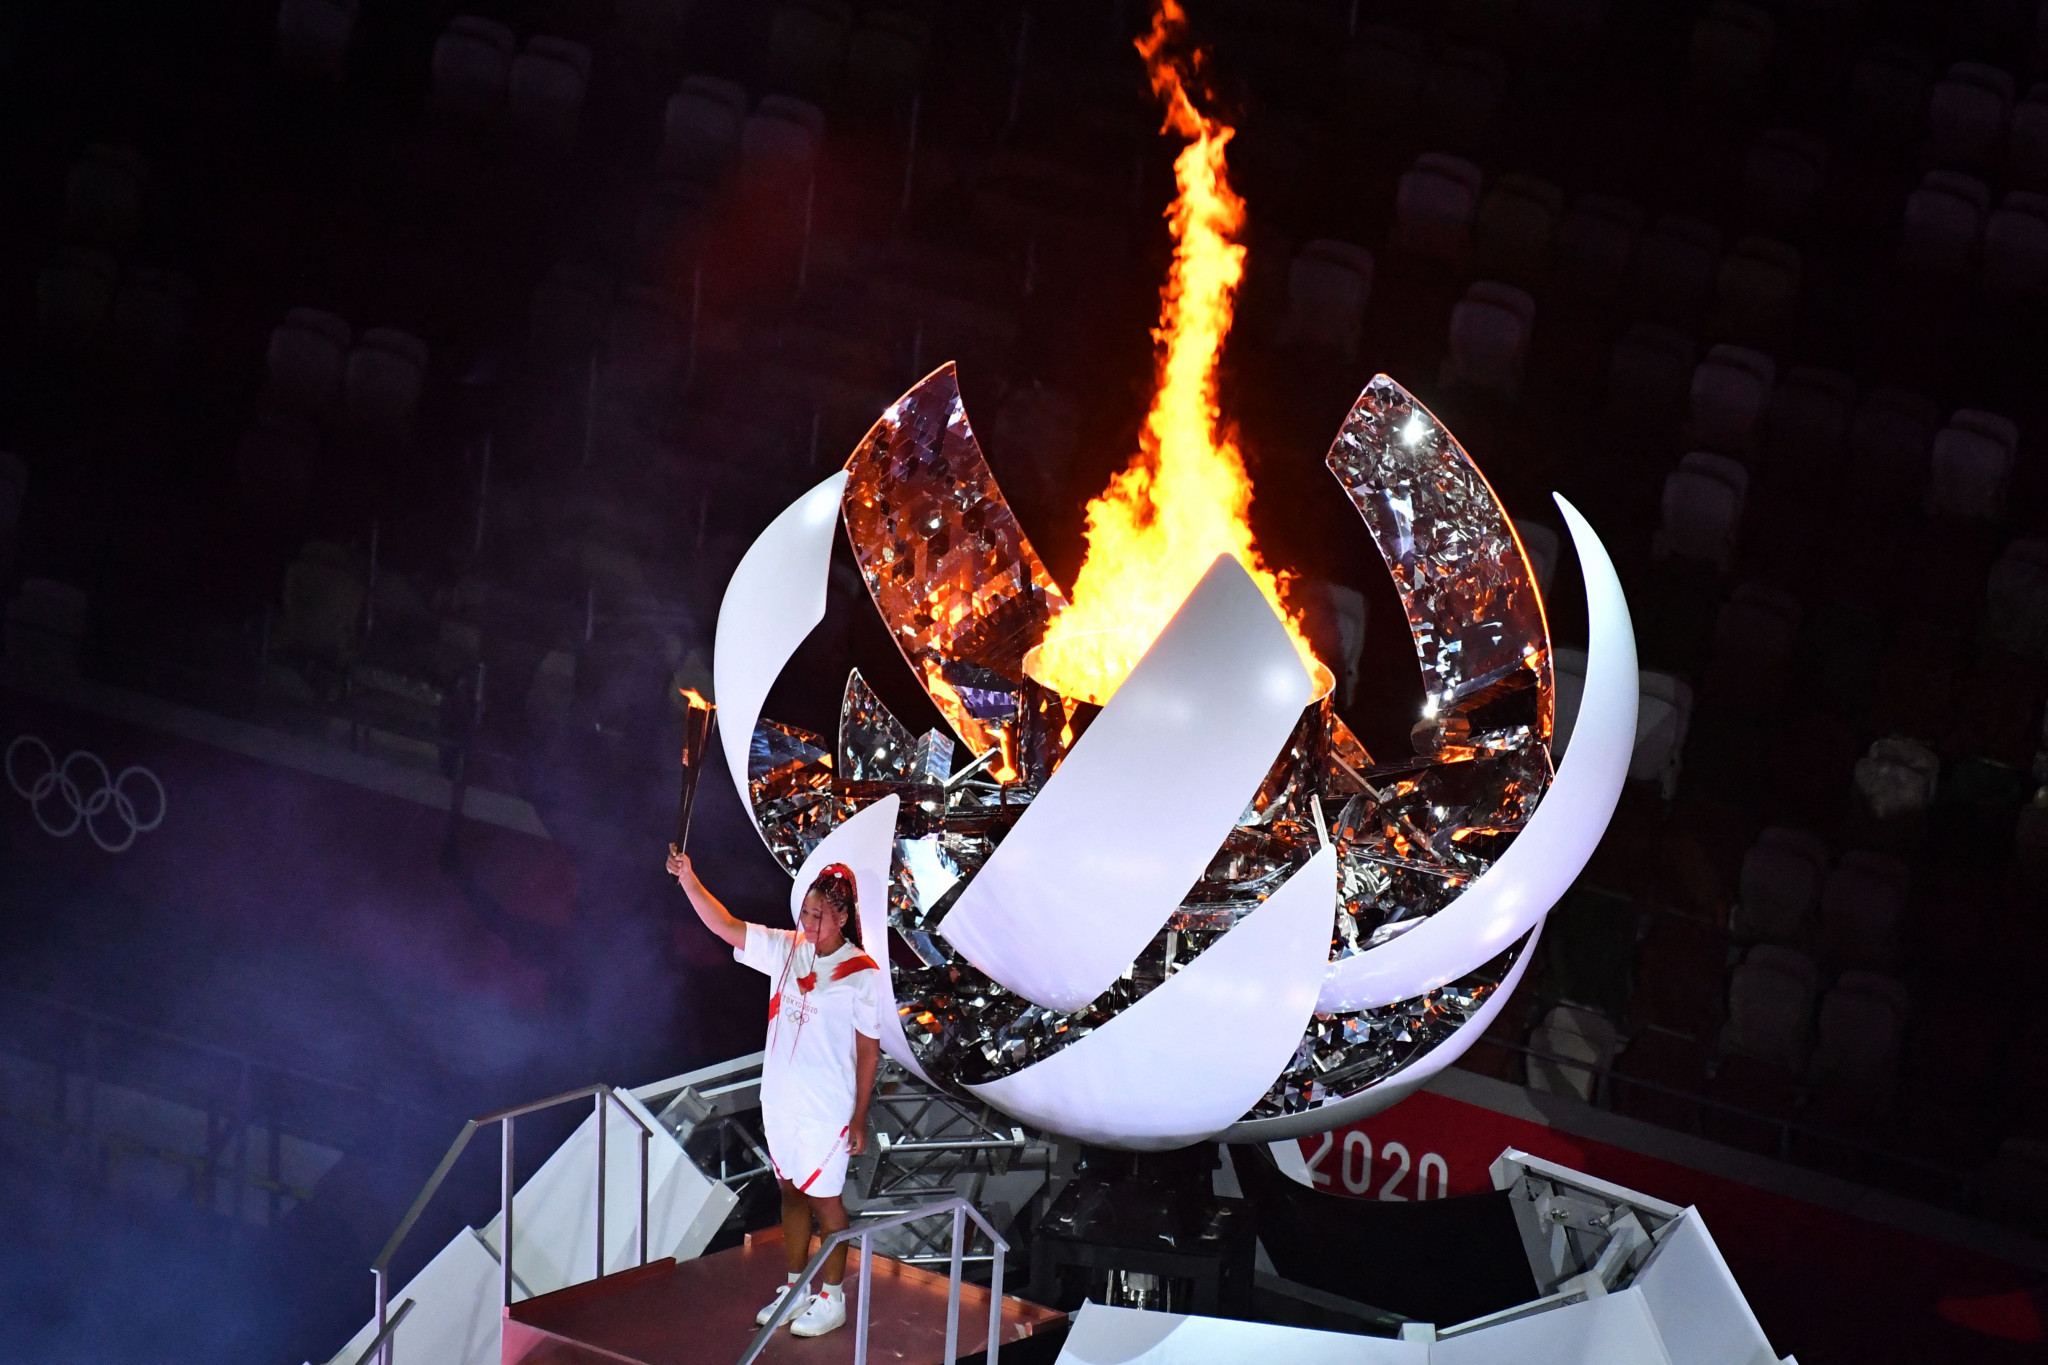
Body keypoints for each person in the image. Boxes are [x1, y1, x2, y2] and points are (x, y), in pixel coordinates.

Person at [668, 846, 882, 1339]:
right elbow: (724, 925)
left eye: (820, 916)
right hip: (781, 1101)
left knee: (827, 1204)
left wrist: (859, 1116)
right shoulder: (787, 949)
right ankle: (797, 1285)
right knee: (789, 1191)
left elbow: (869, 1052)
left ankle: (833, 1298)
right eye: (806, 912)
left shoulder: (862, 973)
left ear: (844, 917)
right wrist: (688, 878)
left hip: (827, 1108)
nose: (809, 922)